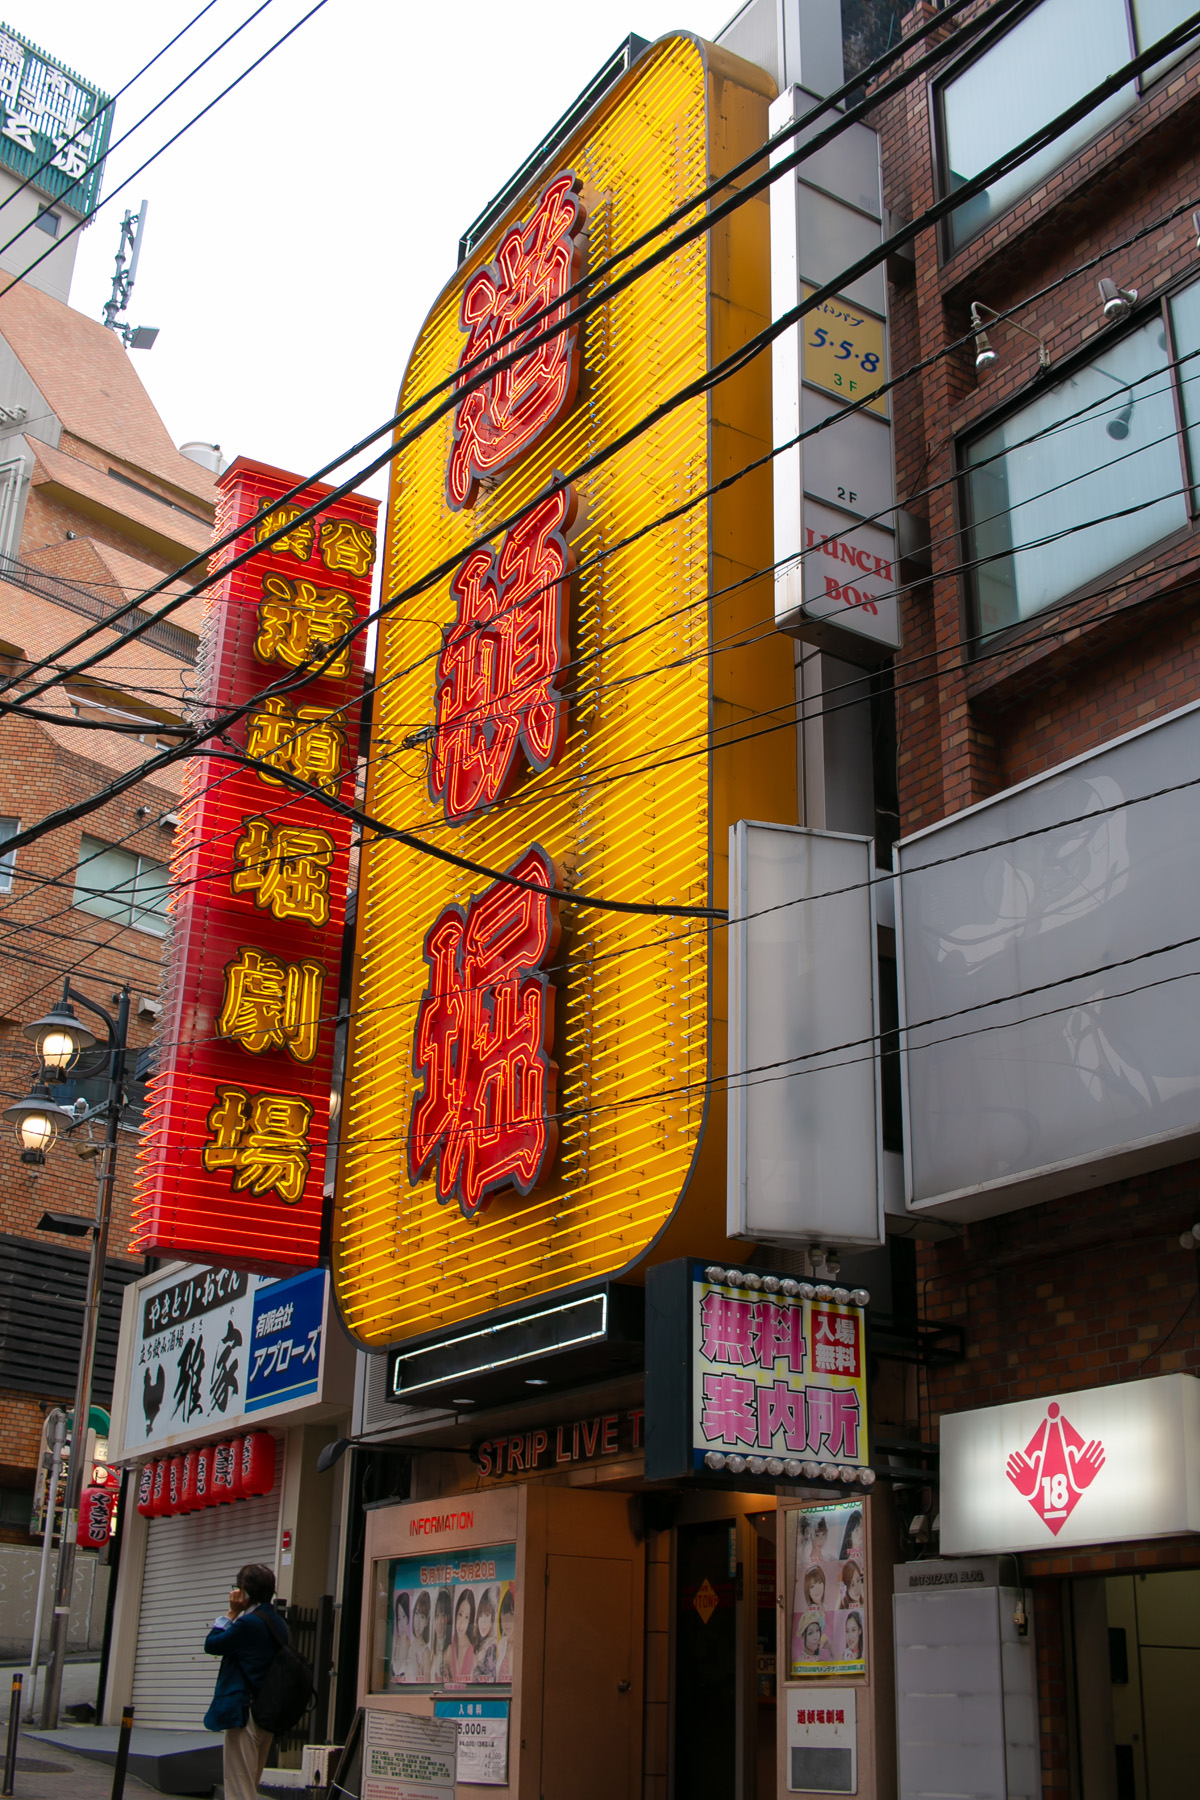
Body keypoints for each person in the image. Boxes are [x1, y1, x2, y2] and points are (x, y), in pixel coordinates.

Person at [204, 1563, 289, 1800]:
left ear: (244, 1591)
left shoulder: (248, 1624)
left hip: (245, 1715)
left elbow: (212, 1644)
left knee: (239, 1790)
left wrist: (231, 1613)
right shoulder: (278, 1623)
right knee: (249, 1783)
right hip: (267, 1713)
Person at [447, 1587, 477, 1684]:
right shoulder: (450, 1645)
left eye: (466, 1617)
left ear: (470, 1621)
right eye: (460, 1614)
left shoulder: (472, 1652)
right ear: (456, 1613)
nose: (461, 1623)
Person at [472, 1586, 500, 1682]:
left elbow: (489, 1680)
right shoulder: (479, 1642)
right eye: (481, 1615)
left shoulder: (492, 1646)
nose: (483, 1622)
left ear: (493, 1618)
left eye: (487, 1615)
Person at [428, 1587, 453, 1686]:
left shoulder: (450, 1650)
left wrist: (449, 1677)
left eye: (443, 1615)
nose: (440, 1622)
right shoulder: (430, 1651)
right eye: (437, 1615)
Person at [407, 1590, 432, 1684]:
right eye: (416, 1614)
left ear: (426, 1621)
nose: (417, 1622)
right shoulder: (409, 1643)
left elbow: (425, 1686)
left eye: (422, 1617)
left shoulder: (425, 1651)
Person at [496, 1587, 516, 1684]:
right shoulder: (504, 1643)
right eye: (504, 1613)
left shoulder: (515, 1648)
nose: (507, 1621)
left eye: (512, 1614)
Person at [391, 1590, 412, 1682]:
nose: (402, 1622)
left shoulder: (411, 1645)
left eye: (404, 1616)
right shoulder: (394, 1643)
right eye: (399, 1618)